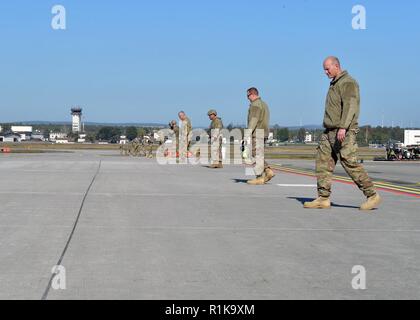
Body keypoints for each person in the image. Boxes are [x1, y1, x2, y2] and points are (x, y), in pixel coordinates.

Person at [304, 57, 381, 211]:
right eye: (324, 69)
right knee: (323, 163)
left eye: (327, 69)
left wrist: (343, 128)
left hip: (342, 131)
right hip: (329, 132)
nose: (325, 72)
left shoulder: (348, 83)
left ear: (336, 66)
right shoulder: (336, 83)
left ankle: (372, 195)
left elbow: (350, 107)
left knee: (349, 163)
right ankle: (323, 198)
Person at [245, 87, 275, 185]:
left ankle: (260, 176)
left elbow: (254, 120)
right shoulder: (264, 104)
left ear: (252, 94)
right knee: (258, 154)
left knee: (255, 154)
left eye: (248, 95)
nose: (247, 97)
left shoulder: (255, 104)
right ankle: (267, 171)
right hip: (264, 132)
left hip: (257, 132)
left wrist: (247, 134)